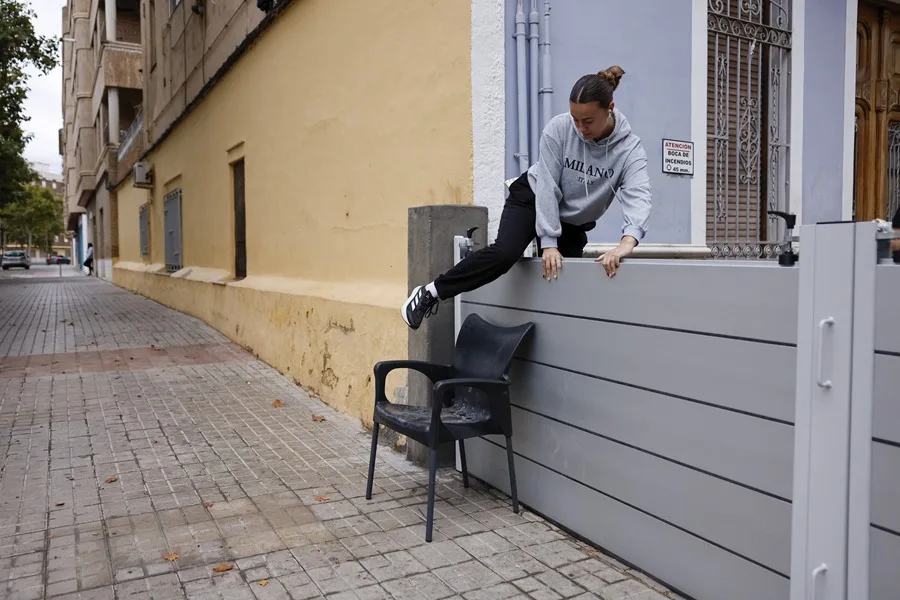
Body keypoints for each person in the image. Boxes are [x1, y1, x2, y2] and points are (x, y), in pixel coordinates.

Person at [401, 65, 652, 330]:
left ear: (609, 108)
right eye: (575, 119)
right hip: (532, 197)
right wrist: (549, 242)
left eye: (587, 121)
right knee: (506, 252)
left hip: (572, 222)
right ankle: (430, 292)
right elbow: (547, 185)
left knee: (566, 285)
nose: (580, 128)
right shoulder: (559, 129)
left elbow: (639, 195)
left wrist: (627, 242)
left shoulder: (629, 149)